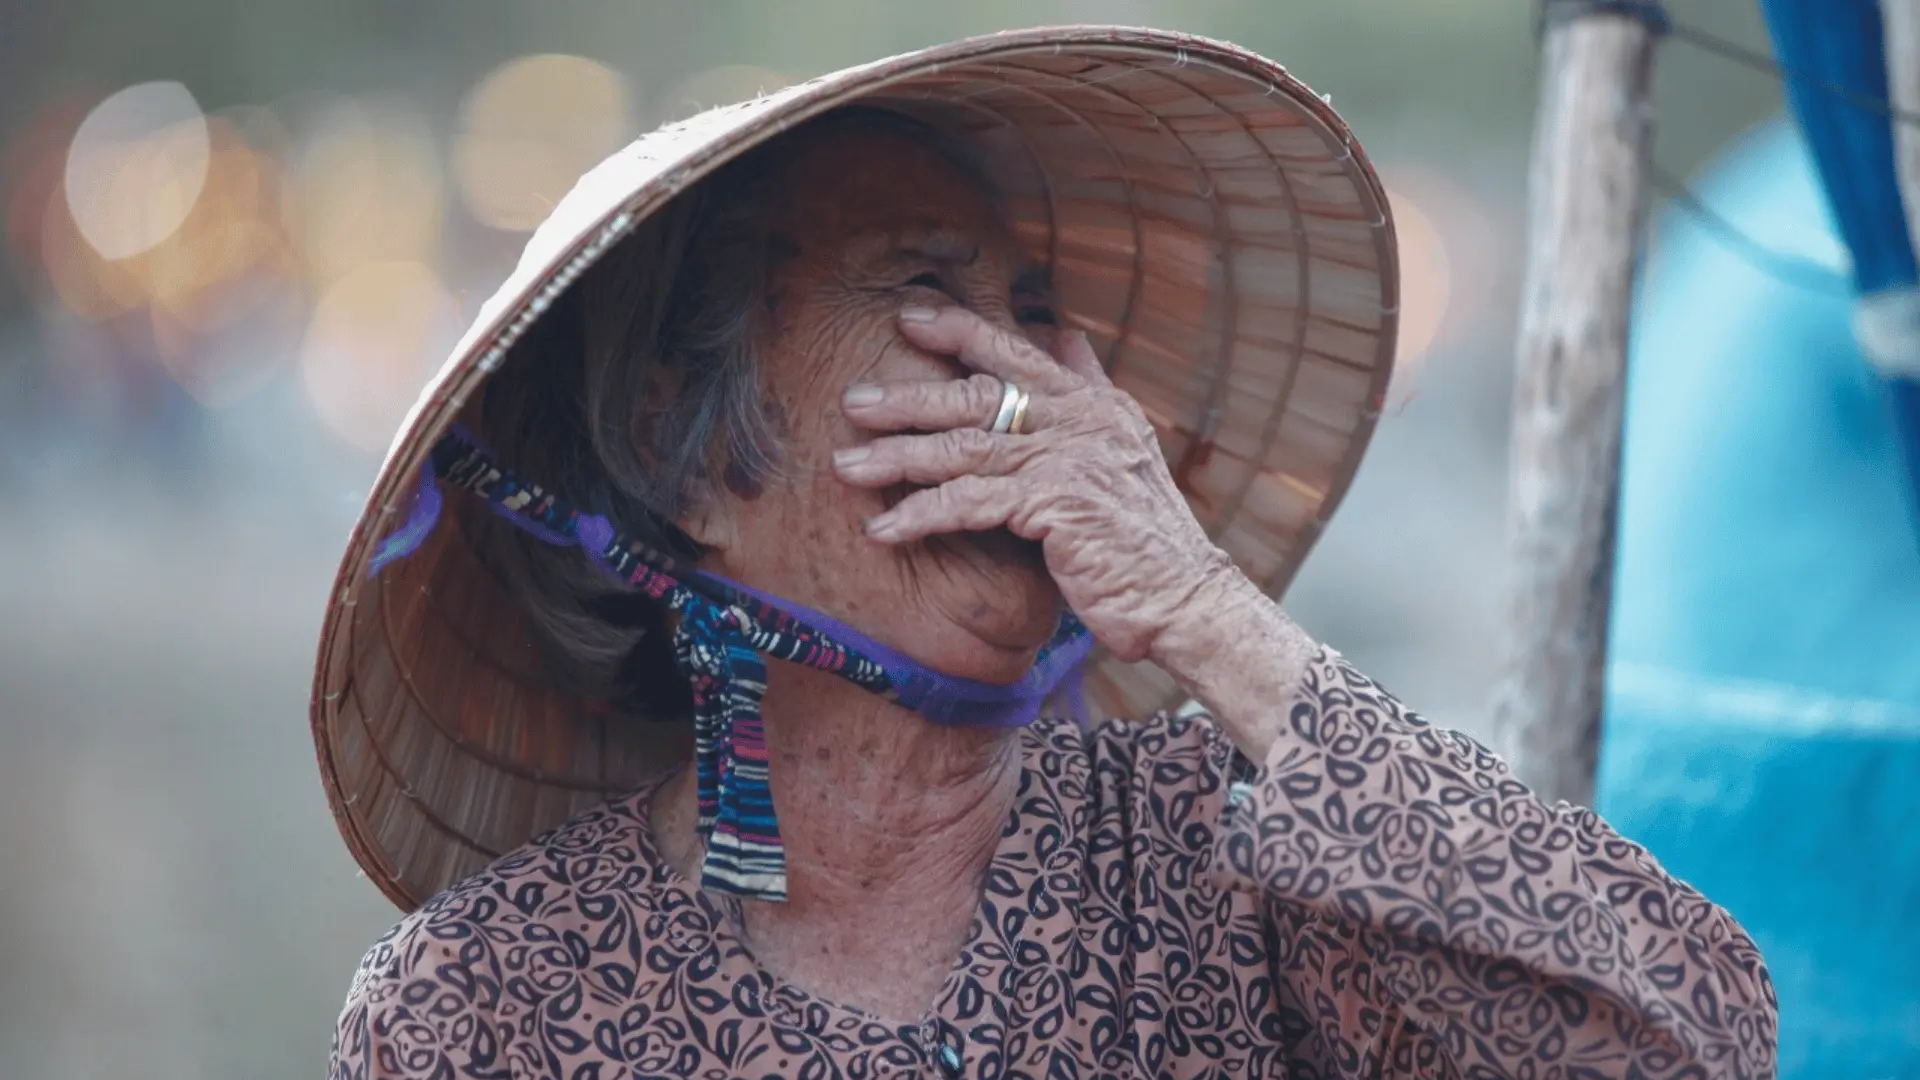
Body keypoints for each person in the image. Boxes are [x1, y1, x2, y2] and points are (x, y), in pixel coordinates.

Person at [316, 28, 1776, 1079]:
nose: (1035, 381)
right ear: (686, 443)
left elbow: (1692, 1039)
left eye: (1031, 308)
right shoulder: (478, 1009)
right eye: (930, 296)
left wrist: (1209, 611)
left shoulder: (1224, 861)